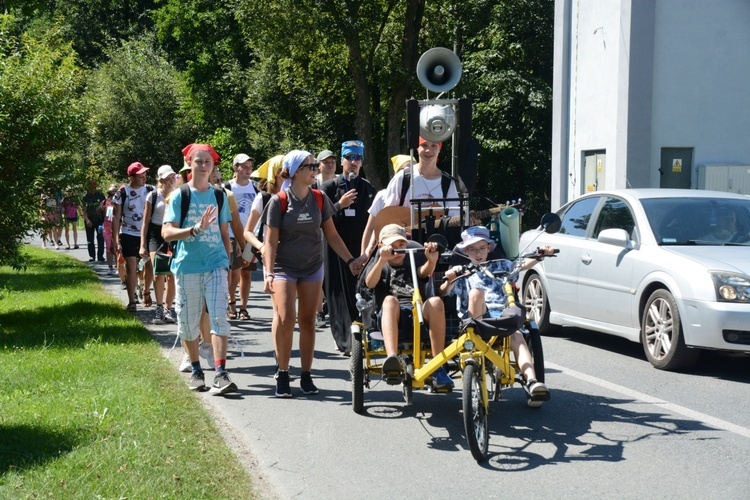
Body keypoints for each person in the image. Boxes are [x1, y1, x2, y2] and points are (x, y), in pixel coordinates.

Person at [263, 150, 358, 397]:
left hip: (313, 267)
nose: (315, 169)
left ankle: (306, 375)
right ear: (295, 172)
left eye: (316, 165)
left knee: (307, 322)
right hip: (285, 268)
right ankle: (283, 373)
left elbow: (332, 235)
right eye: (310, 165)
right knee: (286, 319)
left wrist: (350, 260)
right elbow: (270, 242)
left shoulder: (319, 198)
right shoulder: (279, 201)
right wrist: (268, 272)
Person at [440, 226, 554, 406]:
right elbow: (444, 292)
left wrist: (540, 254)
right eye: (472, 249)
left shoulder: (501, 265)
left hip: (501, 316)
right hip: (475, 318)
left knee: (517, 336)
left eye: (482, 248)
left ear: (488, 248)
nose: (478, 253)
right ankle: (475, 341)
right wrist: (449, 278)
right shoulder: (461, 269)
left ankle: (532, 382)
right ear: (465, 251)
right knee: (476, 292)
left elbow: (522, 264)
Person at [162, 143, 237, 395]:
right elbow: (167, 233)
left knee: (219, 317)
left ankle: (220, 372)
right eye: (198, 161)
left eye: (207, 162)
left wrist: (226, 262)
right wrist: (195, 229)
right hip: (187, 267)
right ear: (189, 165)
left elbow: (225, 232)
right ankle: (196, 370)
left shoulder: (219, 195)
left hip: (215, 264)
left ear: (213, 165)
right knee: (188, 322)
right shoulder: (179, 195)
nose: (203, 166)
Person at [363, 223, 453, 389]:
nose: (398, 251)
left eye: (401, 245)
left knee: (436, 302)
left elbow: (423, 273)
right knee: (390, 300)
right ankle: (393, 360)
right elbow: (369, 283)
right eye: (393, 247)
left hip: (419, 312)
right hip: (394, 317)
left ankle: (438, 365)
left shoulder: (412, 259)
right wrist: (383, 259)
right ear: (382, 246)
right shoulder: (380, 264)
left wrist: (431, 261)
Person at [320, 140, 376, 354]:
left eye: (357, 158)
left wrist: (365, 253)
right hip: (335, 249)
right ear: (342, 161)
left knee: (360, 293)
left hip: (360, 250)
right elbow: (320, 219)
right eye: (349, 158)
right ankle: (343, 339)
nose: (353, 162)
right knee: (337, 295)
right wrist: (339, 205)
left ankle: (360, 336)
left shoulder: (368, 188)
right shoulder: (328, 188)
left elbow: (374, 219)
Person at [112, 162, 155, 312]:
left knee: (150, 266)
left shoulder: (151, 190)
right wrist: (115, 240)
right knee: (131, 266)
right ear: (131, 177)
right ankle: (131, 301)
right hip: (128, 233)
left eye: (145, 174)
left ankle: (146, 290)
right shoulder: (122, 192)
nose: (144, 177)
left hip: (148, 234)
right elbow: (116, 218)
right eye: (140, 175)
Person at [140, 165, 178, 324]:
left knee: (172, 275)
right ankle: (159, 307)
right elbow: (145, 221)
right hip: (156, 235)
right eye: (168, 178)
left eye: (173, 177)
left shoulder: (178, 194)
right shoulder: (153, 195)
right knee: (159, 271)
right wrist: (143, 244)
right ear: (160, 179)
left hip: (173, 232)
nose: (171, 180)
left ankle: (169, 309)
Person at [361, 154, 413, 256]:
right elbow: (370, 227)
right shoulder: (382, 195)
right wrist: (364, 254)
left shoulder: (418, 194)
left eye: (412, 168)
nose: (408, 171)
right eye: (404, 169)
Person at [225, 153, 255, 321]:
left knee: (247, 273)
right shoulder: (227, 187)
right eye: (244, 166)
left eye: (249, 166)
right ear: (235, 168)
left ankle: (243, 308)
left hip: (249, 236)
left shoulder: (256, 187)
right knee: (233, 273)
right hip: (230, 235)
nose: (248, 169)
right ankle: (232, 303)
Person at [81, 181, 106, 262]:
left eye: (94, 187)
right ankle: (92, 256)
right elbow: (84, 210)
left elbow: (105, 206)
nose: (93, 189)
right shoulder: (85, 197)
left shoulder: (100, 195)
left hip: (99, 220)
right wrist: (87, 220)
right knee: (90, 239)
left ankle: (100, 256)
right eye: (91, 187)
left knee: (100, 237)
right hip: (89, 220)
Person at [100, 184, 118, 275]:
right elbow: (97, 210)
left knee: (117, 247)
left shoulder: (119, 202)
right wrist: (100, 208)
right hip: (107, 226)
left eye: (114, 194)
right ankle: (110, 267)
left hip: (117, 226)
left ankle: (117, 266)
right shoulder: (104, 202)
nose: (112, 196)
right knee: (108, 247)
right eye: (111, 194)